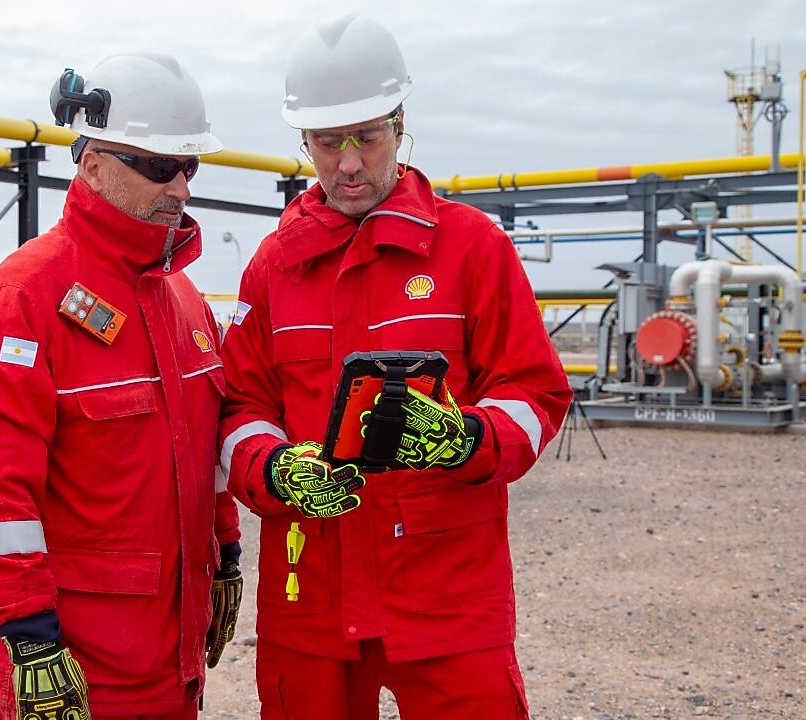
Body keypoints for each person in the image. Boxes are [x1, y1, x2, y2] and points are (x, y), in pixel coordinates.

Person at [218, 13, 572, 720]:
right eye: (327, 143)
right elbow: (238, 409)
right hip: (309, 592)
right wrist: (273, 469)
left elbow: (533, 392)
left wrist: (468, 437)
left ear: (400, 124)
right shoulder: (272, 268)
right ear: (304, 144)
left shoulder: (472, 249)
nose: (348, 164)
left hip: (446, 597)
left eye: (368, 138)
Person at [0, 52, 242, 720]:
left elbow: (206, 456)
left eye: (188, 167)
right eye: (161, 167)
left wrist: (227, 552)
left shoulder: (184, 300)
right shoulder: (25, 299)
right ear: (95, 164)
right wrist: (27, 641)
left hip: (173, 658)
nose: (182, 189)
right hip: (77, 670)